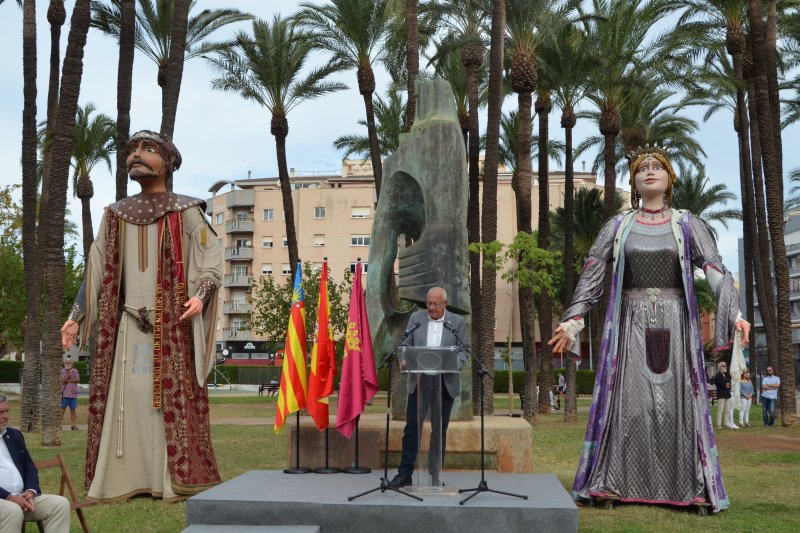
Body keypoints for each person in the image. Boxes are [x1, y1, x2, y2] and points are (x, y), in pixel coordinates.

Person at [548, 145, 749, 513]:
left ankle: (691, 486)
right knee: (628, 404)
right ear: (634, 180)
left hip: (677, 325)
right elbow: (593, 273)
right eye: (642, 168)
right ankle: (611, 482)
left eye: (657, 167)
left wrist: (733, 312)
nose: (650, 172)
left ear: (670, 178)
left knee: (679, 404)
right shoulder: (618, 226)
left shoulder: (688, 224)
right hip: (630, 326)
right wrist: (573, 319)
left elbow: (713, 268)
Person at [60, 130, 222, 502]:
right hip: (126, 331)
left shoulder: (187, 211)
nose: (137, 155)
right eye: (133, 149)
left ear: (168, 161)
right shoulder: (115, 215)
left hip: (173, 329)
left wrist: (200, 295)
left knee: (163, 405)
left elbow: (210, 258)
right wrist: (76, 316)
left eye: (148, 149)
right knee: (126, 401)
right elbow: (95, 268)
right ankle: (119, 479)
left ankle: (167, 480)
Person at [389, 287, 468, 489]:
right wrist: (403, 359)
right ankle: (405, 474)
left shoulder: (457, 322)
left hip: (444, 383)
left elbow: (463, 350)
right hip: (419, 381)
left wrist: (455, 364)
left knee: (438, 431)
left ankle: (435, 475)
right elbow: (405, 344)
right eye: (429, 303)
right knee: (412, 429)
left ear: (445, 304)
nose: (431, 307)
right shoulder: (416, 319)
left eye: (436, 304)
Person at [0, 395, 71, 532]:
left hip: (22, 498)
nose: (6, 416)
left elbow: (29, 466)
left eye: (7, 411)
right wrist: (9, 497)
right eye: (1, 412)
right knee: (13, 510)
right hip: (5, 500)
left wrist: (30, 491)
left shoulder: (15, 435)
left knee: (60, 504)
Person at [714, 361, 738, 430]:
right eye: (724, 366)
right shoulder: (717, 376)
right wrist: (726, 384)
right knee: (720, 410)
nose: (726, 367)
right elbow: (721, 384)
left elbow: (729, 384)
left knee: (727, 410)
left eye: (726, 366)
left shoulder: (726, 375)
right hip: (721, 395)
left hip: (727, 394)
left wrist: (726, 384)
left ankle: (726, 423)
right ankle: (719, 424)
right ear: (720, 367)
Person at [59, 357, 80, 431]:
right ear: (64, 363)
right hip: (65, 394)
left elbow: (78, 379)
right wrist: (69, 375)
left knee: (73, 410)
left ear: (72, 363)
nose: (67, 364)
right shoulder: (62, 371)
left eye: (69, 362)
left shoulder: (75, 370)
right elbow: (63, 381)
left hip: (73, 394)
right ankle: (59, 425)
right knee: (62, 410)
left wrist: (69, 381)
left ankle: (73, 425)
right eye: (66, 362)